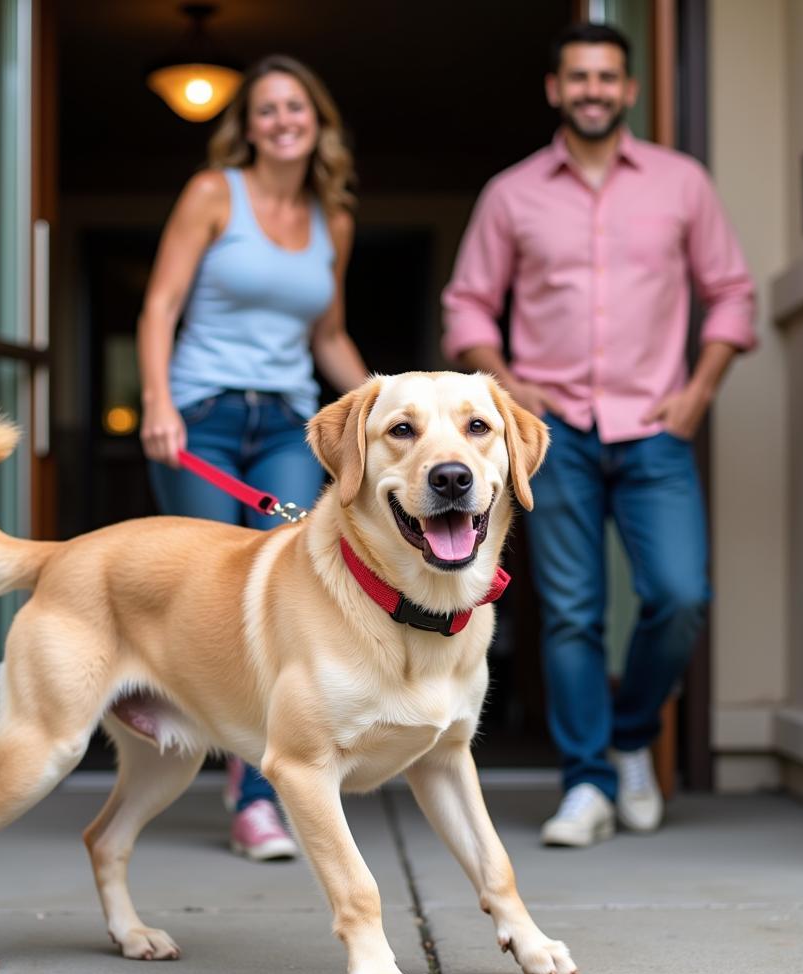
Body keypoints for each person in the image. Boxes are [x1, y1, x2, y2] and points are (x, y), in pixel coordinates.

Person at [441, 22, 755, 847]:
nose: (592, 90)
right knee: (574, 613)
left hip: (655, 427)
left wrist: (699, 391)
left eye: (607, 77)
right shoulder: (512, 194)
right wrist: (507, 384)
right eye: (577, 77)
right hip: (558, 436)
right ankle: (586, 783)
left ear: (629, 89)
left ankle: (630, 738)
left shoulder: (681, 184)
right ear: (555, 89)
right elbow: (467, 304)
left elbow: (731, 294)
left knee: (679, 596)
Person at [137, 55, 368, 861]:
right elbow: (161, 305)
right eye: (265, 109)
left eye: (294, 107)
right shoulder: (212, 194)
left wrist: (388, 408)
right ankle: (234, 750)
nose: (281, 120)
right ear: (249, 125)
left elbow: (328, 336)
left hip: (288, 425)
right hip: (199, 415)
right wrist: (157, 403)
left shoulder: (329, 219)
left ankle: (257, 794)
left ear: (316, 121)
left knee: (289, 593)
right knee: (210, 594)